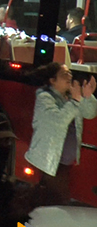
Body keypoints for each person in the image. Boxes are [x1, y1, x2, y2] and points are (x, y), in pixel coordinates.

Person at [25, 63, 97, 204]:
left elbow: (89, 113)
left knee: (51, 199)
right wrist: (76, 101)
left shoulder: (71, 96)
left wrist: (88, 97)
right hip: (51, 160)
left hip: (64, 161)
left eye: (70, 73)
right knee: (57, 200)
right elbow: (58, 121)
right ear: (53, 80)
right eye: (64, 74)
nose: (69, 76)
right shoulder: (45, 98)